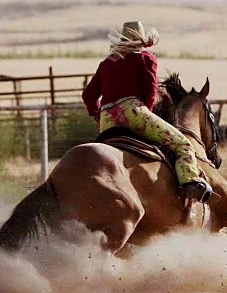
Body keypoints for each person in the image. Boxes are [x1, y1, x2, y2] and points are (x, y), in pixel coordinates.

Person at [81, 21, 213, 202]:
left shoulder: (106, 63)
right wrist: (147, 113)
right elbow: (151, 93)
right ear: (141, 40)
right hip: (134, 114)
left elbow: (88, 95)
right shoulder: (145, 57)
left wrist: (97, 115)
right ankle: (190, 182)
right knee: (182, 144)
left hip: (108, 120)